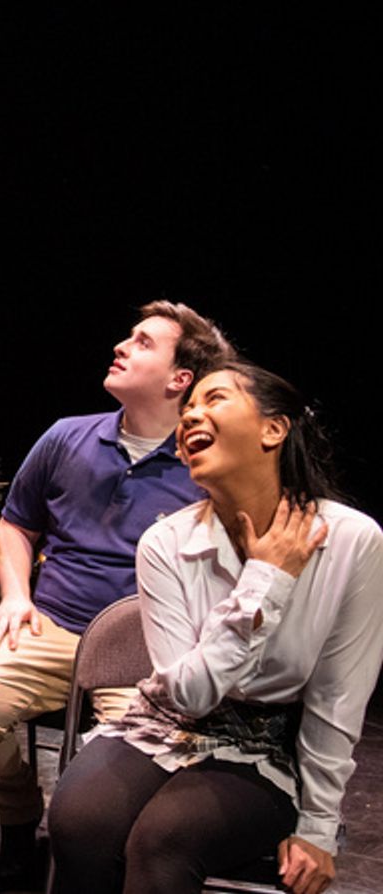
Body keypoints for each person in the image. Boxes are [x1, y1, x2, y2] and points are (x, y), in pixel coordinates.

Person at [48, 362, 383, 894]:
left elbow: (337, 695)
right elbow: (189, 694)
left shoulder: (350, 540)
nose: (191, 416)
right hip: (166, 720)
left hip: (272, 743)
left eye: (215, 399)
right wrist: (265, 580)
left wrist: (319, 827)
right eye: (187, 409)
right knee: (79, 823)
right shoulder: (165, 543)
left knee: (165, 839)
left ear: (274, 429)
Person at [0, 300, 232, 891]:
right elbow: (16, 525)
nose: (121, 346)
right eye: (129, 336)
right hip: (49, 625)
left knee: (132, 772)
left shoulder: (206, 462)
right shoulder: (68, 436)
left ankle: (92, 854)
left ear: (180, 379)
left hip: (144, 650)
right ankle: (19, 816)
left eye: (143, 342)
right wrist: (15, 597)